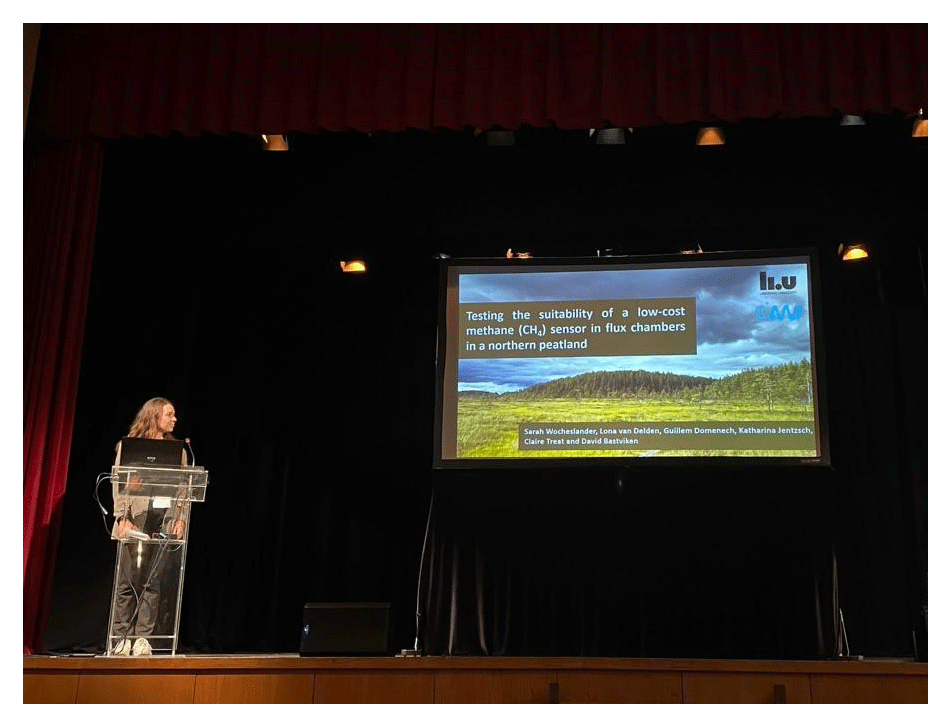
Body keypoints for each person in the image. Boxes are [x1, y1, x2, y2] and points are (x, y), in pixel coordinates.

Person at [111, 397, 187, 656]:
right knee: (127, 582)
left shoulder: (178, 451)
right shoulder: (129, 446)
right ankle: (121, 638)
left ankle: (143, 638)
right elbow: (119, 482)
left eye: (174, 414)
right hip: (134, 518)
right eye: (169, 414)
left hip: (162, 520)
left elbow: (183, 488)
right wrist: (122, 517)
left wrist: (180, 518)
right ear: (154, 415)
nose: (174, 419)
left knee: (152, 583)